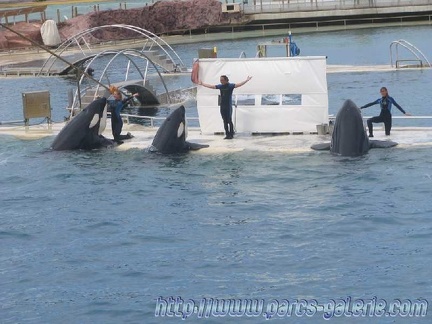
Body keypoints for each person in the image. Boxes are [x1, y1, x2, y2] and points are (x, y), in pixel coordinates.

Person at [199, 75, 252, 139]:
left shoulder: (230, 86)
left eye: (222, 80)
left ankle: (231, 134)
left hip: (228, 106)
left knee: (229, 120)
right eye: (220, 80)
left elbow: (239, 84)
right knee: (224, 121)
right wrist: (202, 84)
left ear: (226, 80)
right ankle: (227, 134)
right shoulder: (220, 86)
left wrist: (246, 80)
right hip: (222, 106)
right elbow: (211, 86)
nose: (221, 81)